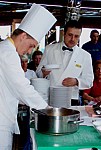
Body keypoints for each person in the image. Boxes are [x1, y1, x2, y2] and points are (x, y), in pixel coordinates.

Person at [0, 3, 56, 149]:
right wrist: (47, 109)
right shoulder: (7, 53)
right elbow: (21, 87)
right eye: (31, 45)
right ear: (23, 36)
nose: (30, 51)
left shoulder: (6, 50)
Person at [36, 20, 94, 106]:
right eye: (70, 35)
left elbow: (89, 81)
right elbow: (38, 73)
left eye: (76, 36)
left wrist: (76, 81)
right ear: (64, 33)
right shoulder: (49, 49)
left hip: (71, 98)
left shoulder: (85, 56)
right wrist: (44, 73)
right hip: (51, 96)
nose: (73, 39)